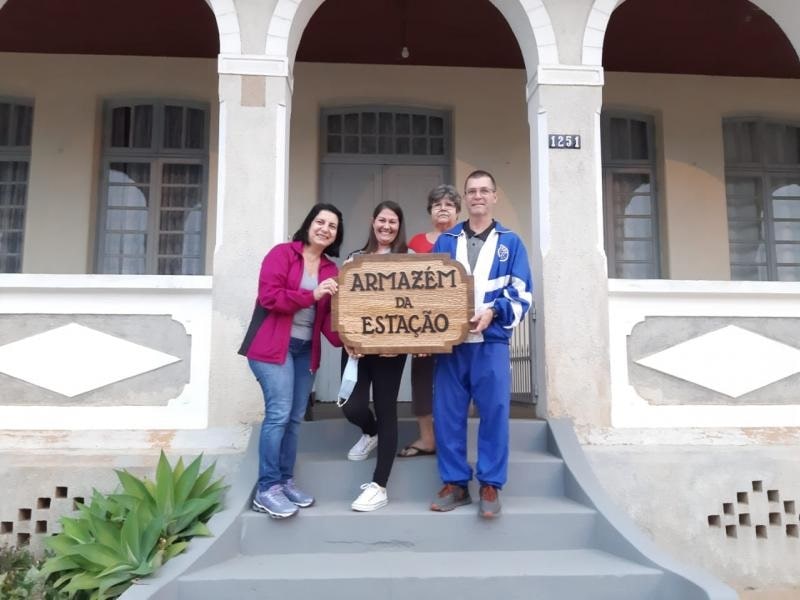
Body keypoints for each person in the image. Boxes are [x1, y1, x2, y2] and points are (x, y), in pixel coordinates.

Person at [429, 170, 532, 518]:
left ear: (494, 196)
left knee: (495, 414)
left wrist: (494, 311)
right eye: (471, 191)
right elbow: (429, 292)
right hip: (452, 344)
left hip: (491, 342)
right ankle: (456, 484)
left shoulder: (511, 242)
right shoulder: (446, 241)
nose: (477, 196)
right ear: (465, 197)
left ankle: (490, 484)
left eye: (484, 190)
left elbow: (522, 293)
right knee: (448, 415)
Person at [240, 203, 343, 519]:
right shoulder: (282, 254)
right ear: (309, 224)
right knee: (279, 414)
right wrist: (310, 296)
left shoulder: (330, 269)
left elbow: (326, 319)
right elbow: (269, 297)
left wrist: (350, 342)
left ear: (336, 235)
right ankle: (266, 488)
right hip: (272, 348)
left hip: (303, 352)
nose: (325, 229)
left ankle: (284, 481)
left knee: (295, 417)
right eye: (320, 222)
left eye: (332, 226)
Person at [341, 200, 409, 512]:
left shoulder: (410, 260)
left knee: (387, 410)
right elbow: (342, 305)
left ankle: (379, 486)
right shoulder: (354, 259)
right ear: (373, 221)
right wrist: (345, 338)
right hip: (356, 348)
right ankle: (370, 433)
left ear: (399, 226)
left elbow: (418, 306)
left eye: (393, 222)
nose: (386, 226)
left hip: (390, 353)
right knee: (352, 406)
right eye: (382, 220)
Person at [397, 184, 461, 458]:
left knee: (455, 384)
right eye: (437, 204)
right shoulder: (415, 244)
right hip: (422, 327)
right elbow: (407, 286)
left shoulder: (466, 240)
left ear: (458, 211)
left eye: (448, 204)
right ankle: (427, 439)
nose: (443, 208)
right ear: (430, 211)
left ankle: (451, 442)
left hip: (457, 325)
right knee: (422, 381)